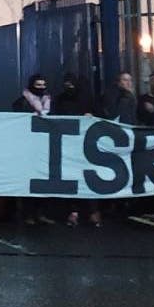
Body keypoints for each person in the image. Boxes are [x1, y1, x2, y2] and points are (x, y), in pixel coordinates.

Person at [53, 75, 98, 227]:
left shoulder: (86, 99)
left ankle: (90, 211)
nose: (69, 86)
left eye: (71, 83)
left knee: (87, 177)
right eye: (66, 83)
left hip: (84, 144)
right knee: (72, 178)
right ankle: (74, 211)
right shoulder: (60, 99)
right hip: (69, 144)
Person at [13, 75, 56, 226]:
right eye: (38, 85)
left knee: (44, 179)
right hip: (28, 146)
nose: (41, 88)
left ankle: (41, 213)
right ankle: (28, 214)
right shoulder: (22, 102)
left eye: (43, 85)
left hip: (44, 146)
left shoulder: (49, 102)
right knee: (30, 181)